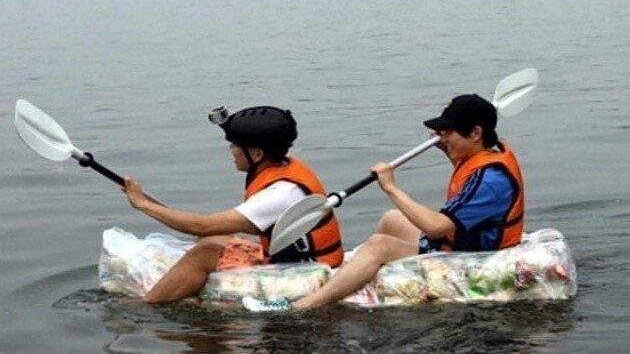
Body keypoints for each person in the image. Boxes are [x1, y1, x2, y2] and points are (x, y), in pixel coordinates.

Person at [243, 93, 525, 311]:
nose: (441, 138)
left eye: (448, 132)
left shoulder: (490, 180)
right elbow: (461, 190)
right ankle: (352, 275)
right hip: (465, 241)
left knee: (379, 245)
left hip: (477, 256)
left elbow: (437, 227)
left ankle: (303, 306)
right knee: (391, 219)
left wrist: (390, 187)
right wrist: (447, 146)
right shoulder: (484, 154)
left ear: (475, 134)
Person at [122, 105, 344, 303]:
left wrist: (144, 205)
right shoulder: (285, 168)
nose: (231, 150)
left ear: (257, 154)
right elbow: (208, 230)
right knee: (211, 239)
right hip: (299, 259)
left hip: (308, 270)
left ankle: (146, 307)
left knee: (205, 251)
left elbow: (202, 225)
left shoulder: (281, 193)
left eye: (236, 145)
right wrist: (146, 200)